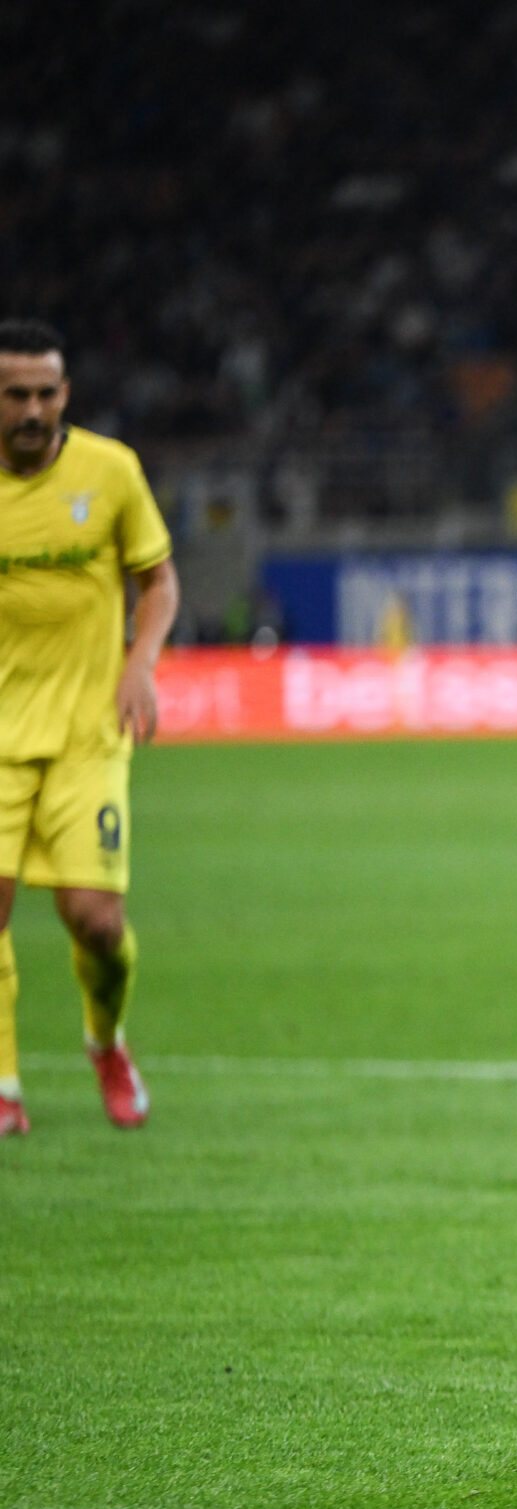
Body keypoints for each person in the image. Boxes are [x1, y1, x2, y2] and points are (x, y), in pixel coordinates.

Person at [0, 320, 176, 1132]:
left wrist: (140, 661)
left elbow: (159, 581)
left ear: (66, 393)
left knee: (97, 922)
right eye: (16, 395)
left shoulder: (110, 471)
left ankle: (106, 1039)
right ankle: (4, 1086)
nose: (33, 410)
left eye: (46, 393)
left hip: (85, 733)